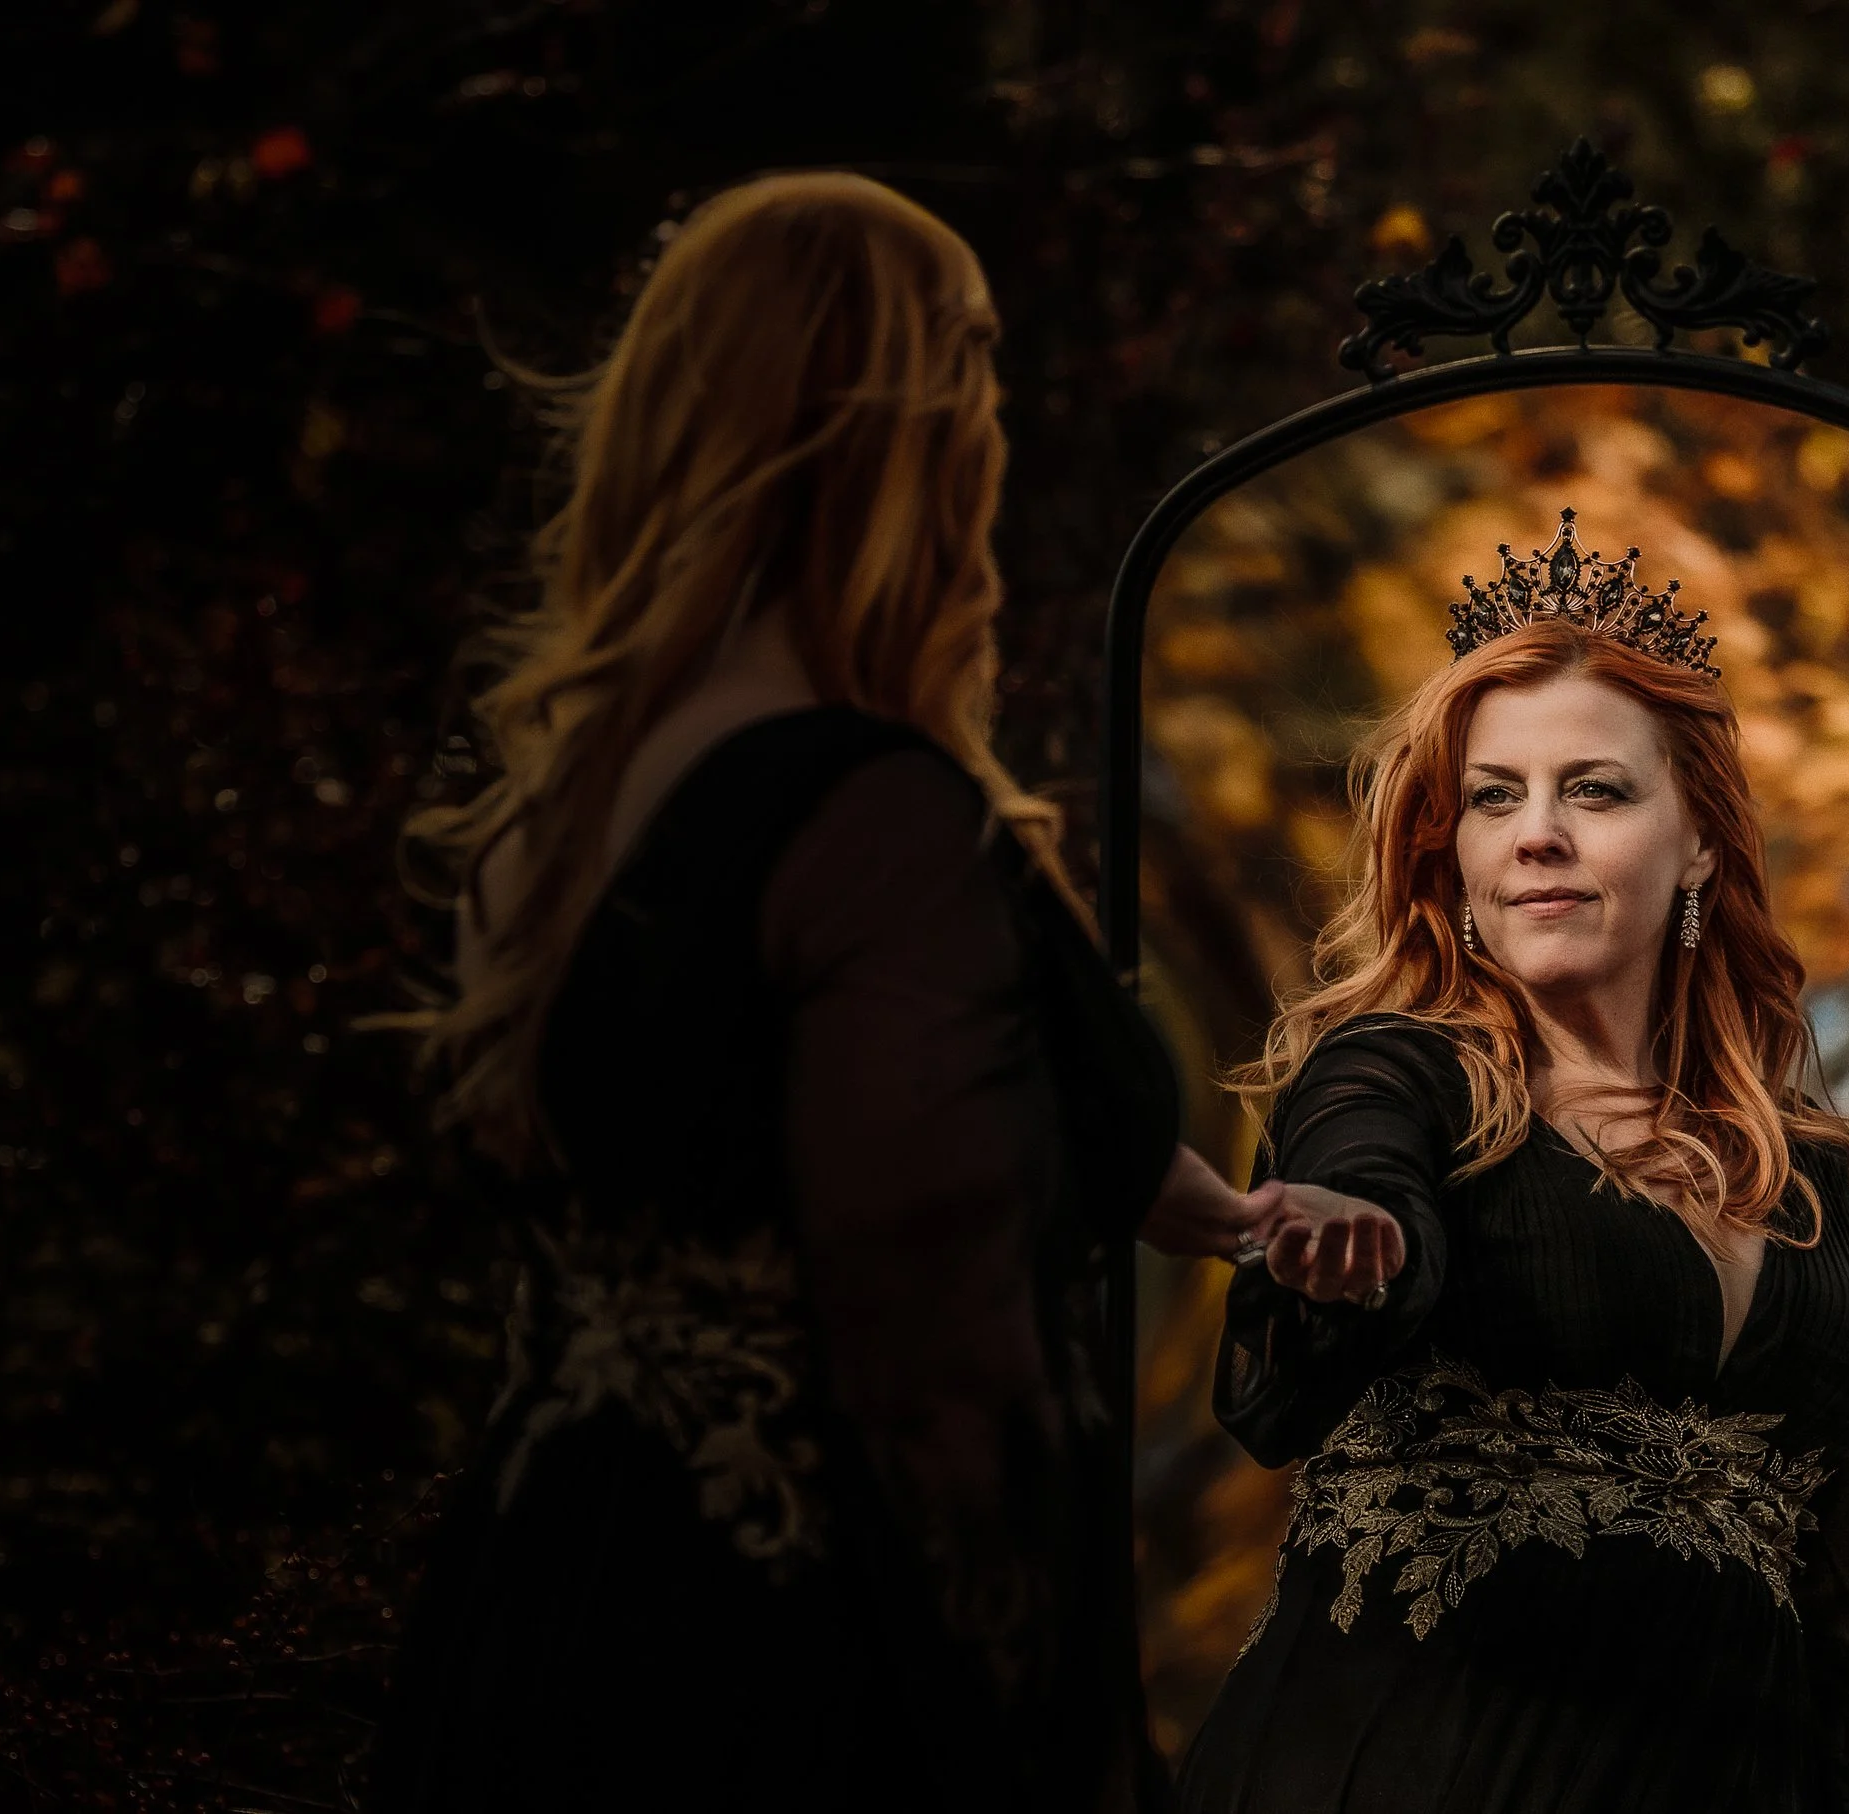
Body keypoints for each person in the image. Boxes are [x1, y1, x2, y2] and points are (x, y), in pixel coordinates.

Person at [370, 171, 1278, 1814]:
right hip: (774, 1664)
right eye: (978, 369)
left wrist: (1187, 1190)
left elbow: (722, 1129)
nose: (996, 424)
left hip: (530, 1595)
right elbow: (940, 1368)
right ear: (909, 424)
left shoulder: (567, 783)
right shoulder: (874, 821)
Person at [1176, 512, 1849, 1814]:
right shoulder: (1400, 1075)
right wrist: (1349, 1233)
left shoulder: (1808, 1176)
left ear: (1698, 839)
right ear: (1456, 859)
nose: (1537, 832)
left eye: (1594, 788)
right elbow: (1364, 1186)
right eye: (1493, 796)